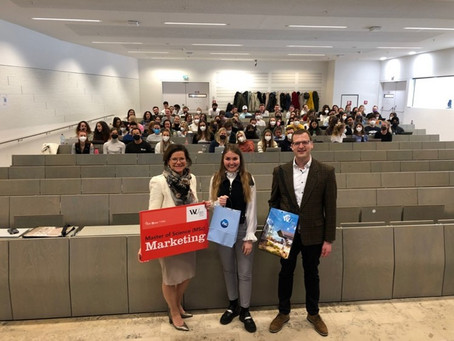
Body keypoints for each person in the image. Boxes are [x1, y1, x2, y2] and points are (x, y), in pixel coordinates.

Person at [268, 129, 337, 337]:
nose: (301, 146)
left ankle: (313, 314)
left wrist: (328, 239)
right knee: (285, 273)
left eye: (304, 142)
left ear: (311, 144)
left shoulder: (325, 171)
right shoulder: (279, 171)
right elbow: (274, 201)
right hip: (285, 232)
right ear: (291, 146)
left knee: (312, 274)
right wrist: (274, 232)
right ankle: (283, 312)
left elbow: (330, 208)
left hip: (313, 233)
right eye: (297, 143)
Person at [141, 144, 209, 332]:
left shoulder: (191, 178)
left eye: (182, 158)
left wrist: (204, 207)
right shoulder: (158, 181)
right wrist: (146, 242)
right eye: (174, 159)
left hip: (188, 235)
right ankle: (174, 312)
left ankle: (177, 304)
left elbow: (193, 203)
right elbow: (152, 212)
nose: (179, 162)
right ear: (168, 161)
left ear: (187, 160)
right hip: (168, 236)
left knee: (186, 274)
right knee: (170, 278)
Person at [209, 145, 257, 333]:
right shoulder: (216, 178)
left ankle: (245, 310)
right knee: (228, 269)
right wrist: (216, 203)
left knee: (244, 272)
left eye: (234, 159)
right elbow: (211, 205)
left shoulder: (248, 178)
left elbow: (252, 209)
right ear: (223, 160)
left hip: (242, 229)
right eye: (228, 159)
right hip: (222, 230)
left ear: (240, 160)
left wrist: (249, 237)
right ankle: (233, 305)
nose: (231, 163)